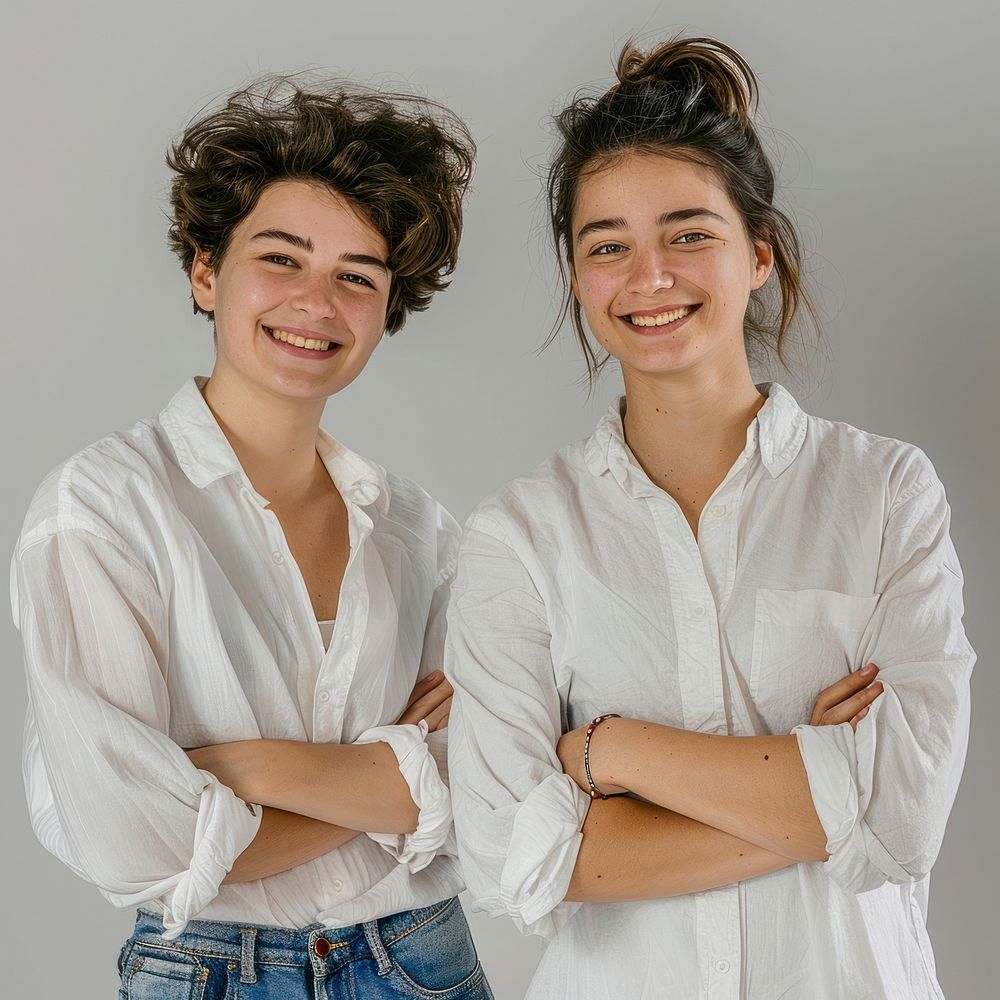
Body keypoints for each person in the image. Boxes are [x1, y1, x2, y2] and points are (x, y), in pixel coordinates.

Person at [445, 36, 973, 999]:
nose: (649, 276)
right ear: (576, 275)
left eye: (689, 233)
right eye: (607, 245)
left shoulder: (886, 491)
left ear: (759, 252)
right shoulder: (518, 538)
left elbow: (903, 819)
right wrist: (815, 794)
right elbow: (514, 860)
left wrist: (613, 750)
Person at [12, 77, 494, 998]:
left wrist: (247, 772)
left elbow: (484, 784)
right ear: (206, 270)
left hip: (423, 960)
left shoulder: (423, 532)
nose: (318, 301)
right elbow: (131, 834)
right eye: (282, 258)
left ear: (386, 309)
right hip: (209, 971)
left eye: (358, 275)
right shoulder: (103, 509)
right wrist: (388, 783)